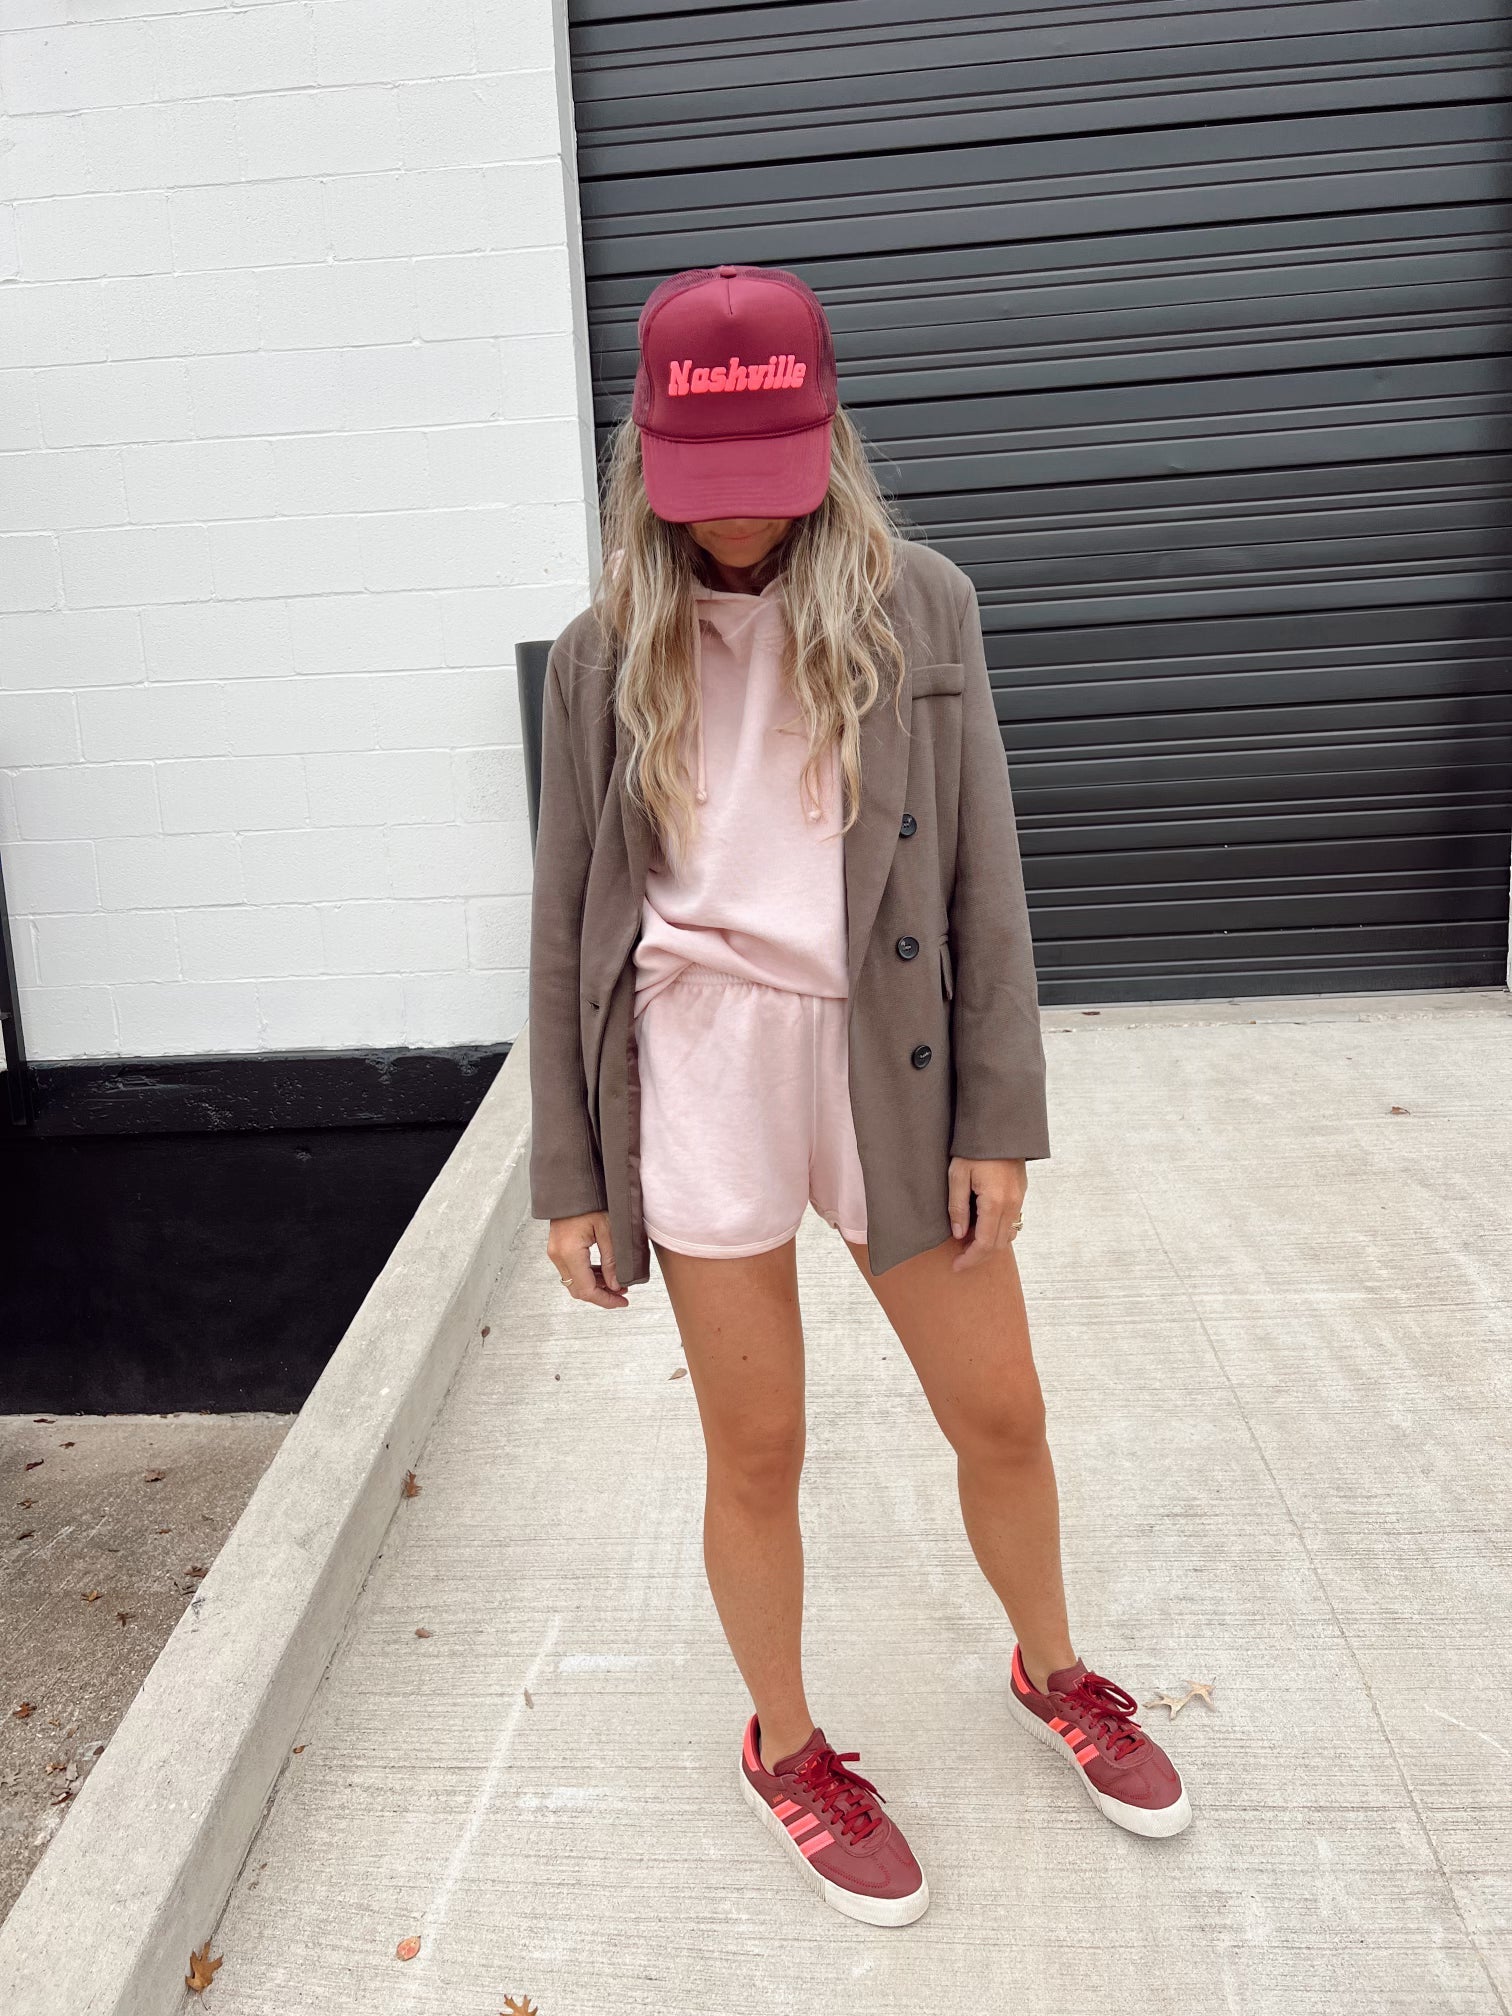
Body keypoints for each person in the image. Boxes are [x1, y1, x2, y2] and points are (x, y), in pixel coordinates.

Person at [527, 262, 1191, 1929]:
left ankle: (1055, 1673)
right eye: (704, 480)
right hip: (696, 1061)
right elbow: (563, 918)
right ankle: (787, 1749)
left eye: (772, 473)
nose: (740, 517)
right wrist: (569, 1173)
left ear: (831, 439)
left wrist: (997, 1119)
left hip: (885, 1054)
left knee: (1003, 1409)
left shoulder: (921, 606)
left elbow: (985, 878)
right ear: (645, 457)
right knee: (757, 1446)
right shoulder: (603, 654)